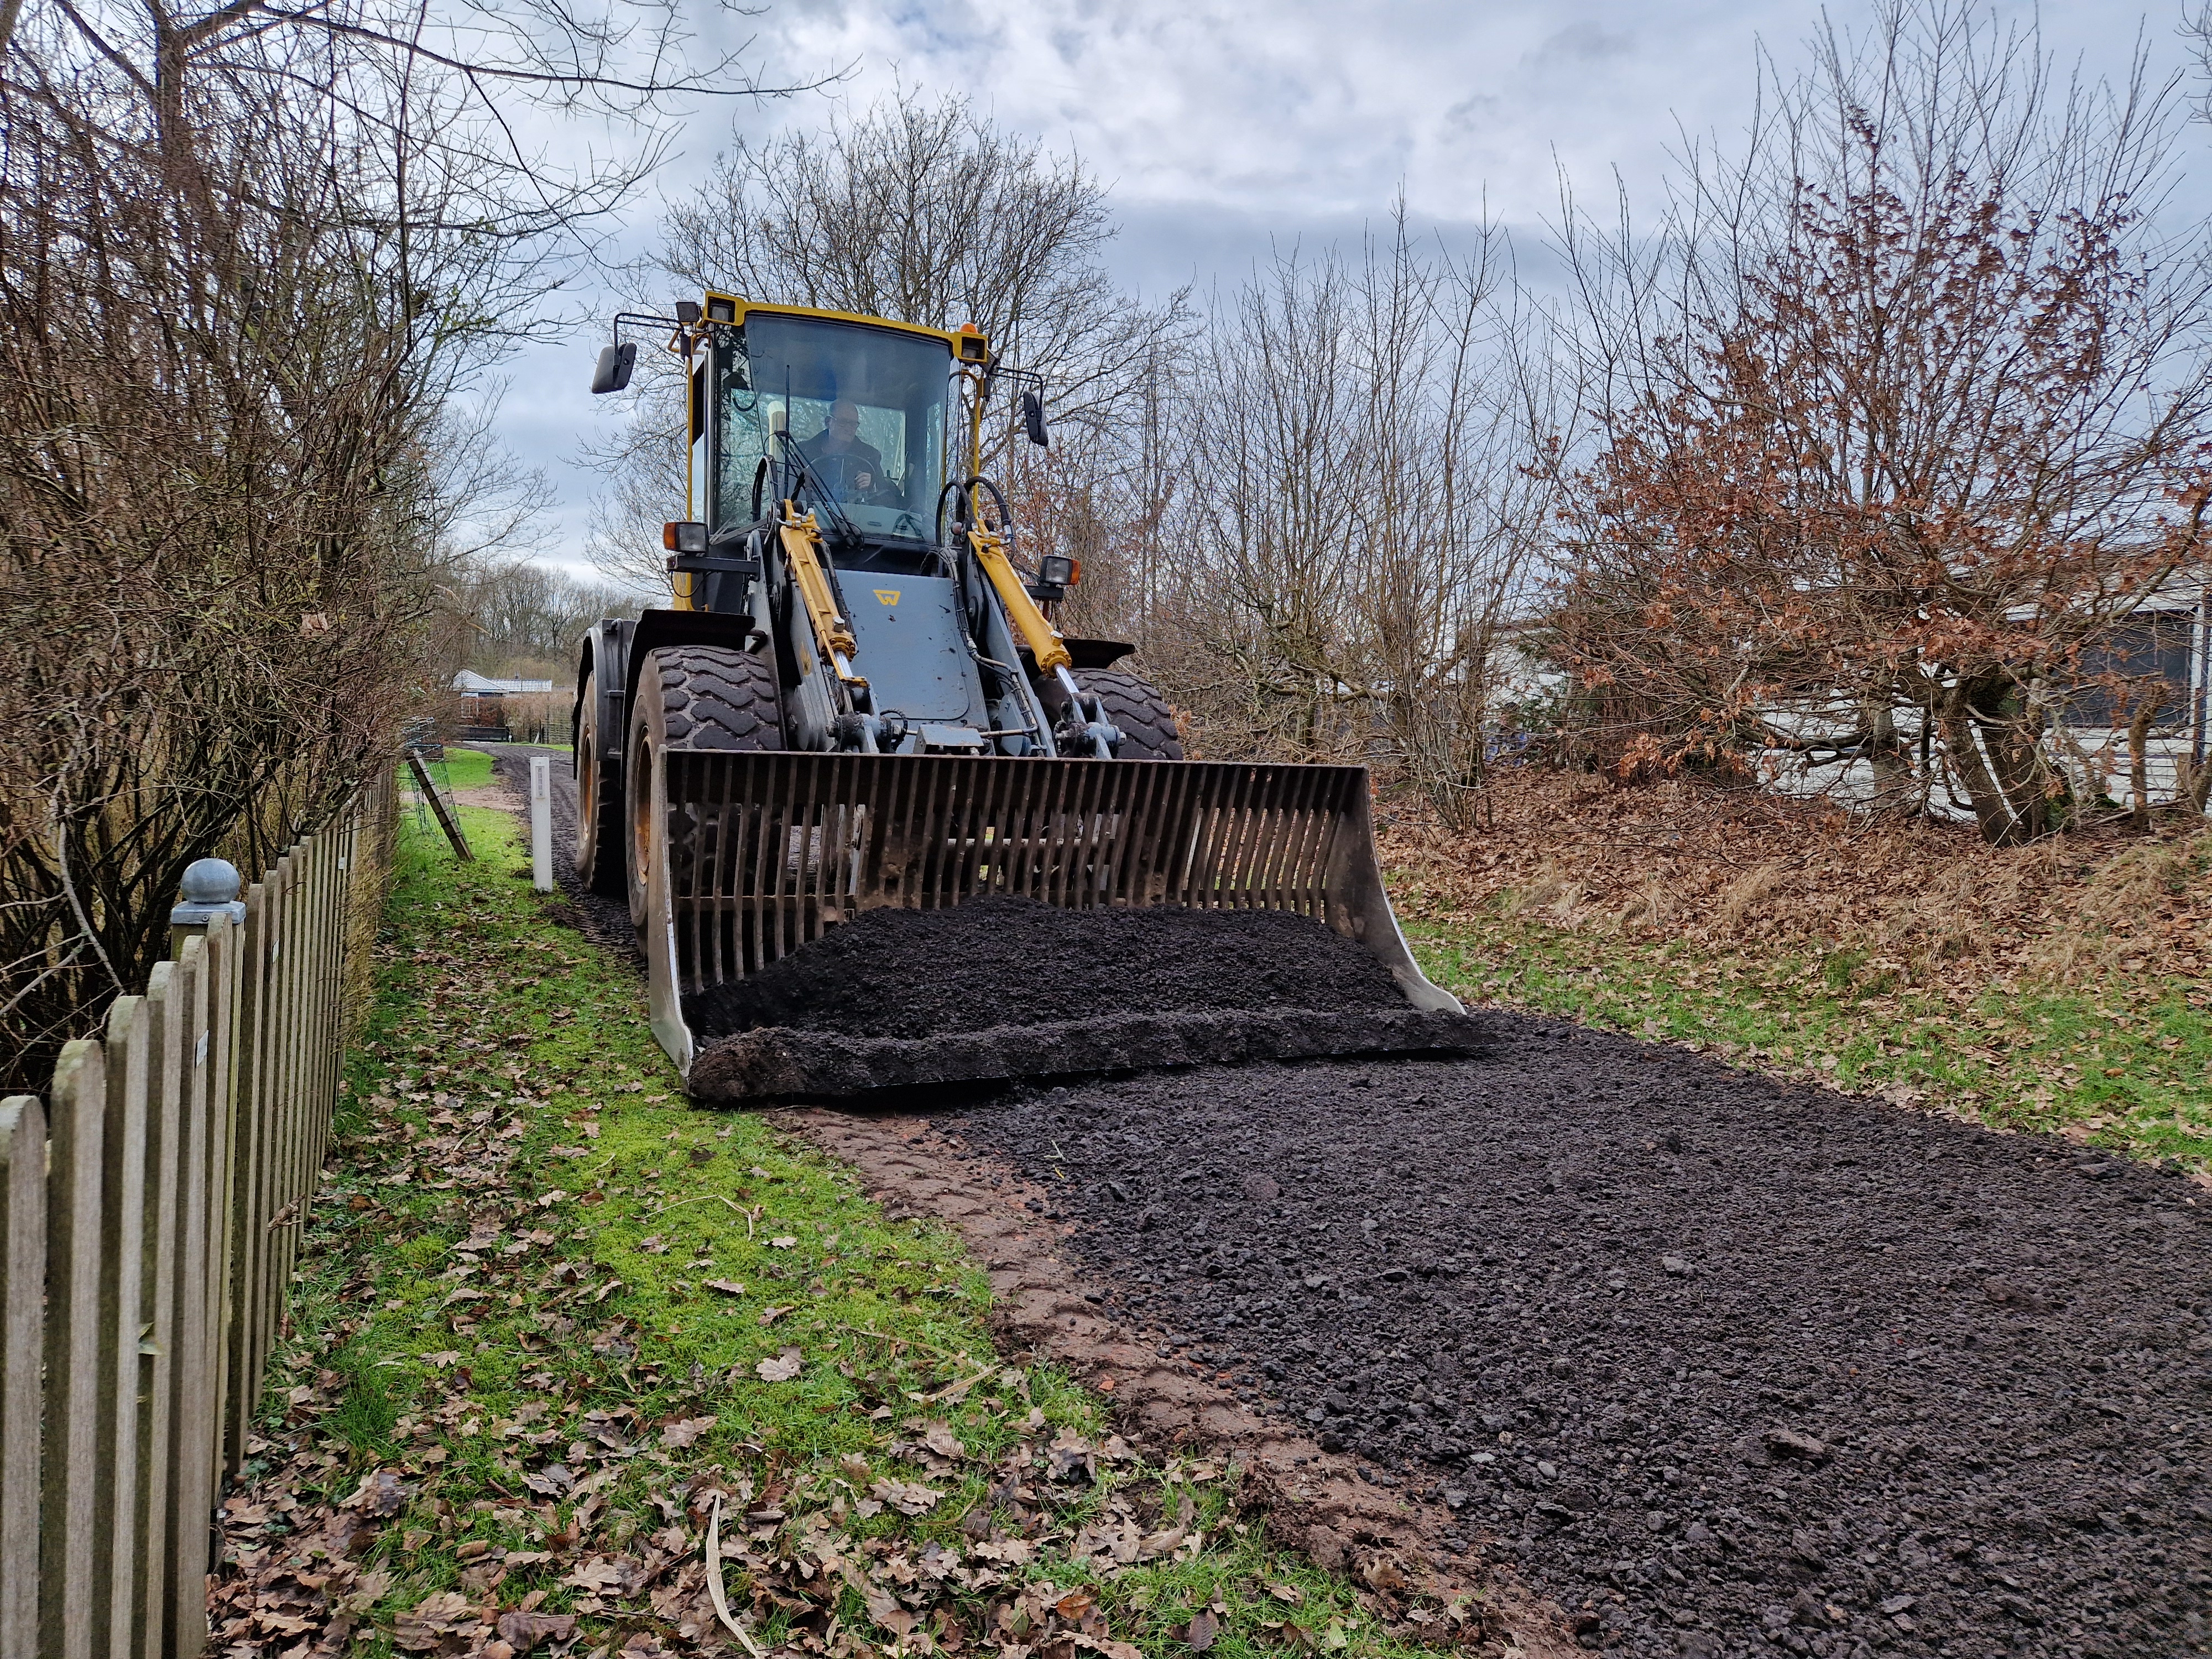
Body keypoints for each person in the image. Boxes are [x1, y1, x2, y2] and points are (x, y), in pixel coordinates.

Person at [800, 399, 885, 497]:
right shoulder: (803, 453)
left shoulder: (871, 457)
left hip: (855, 508)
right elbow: (791, 488)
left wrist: (872, 485)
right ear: (828, 422)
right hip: (808, 507)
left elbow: (886, 496)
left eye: (853, 424)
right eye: (843, 422)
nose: (848, 428)